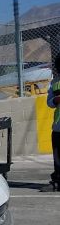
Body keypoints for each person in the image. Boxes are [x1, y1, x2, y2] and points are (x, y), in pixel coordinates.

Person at [43, 53, 60, 192]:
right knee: (58, 157)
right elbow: (49, 102)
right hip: (58, 127)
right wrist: (56, 100)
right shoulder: (55, 83)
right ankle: (57, 182)